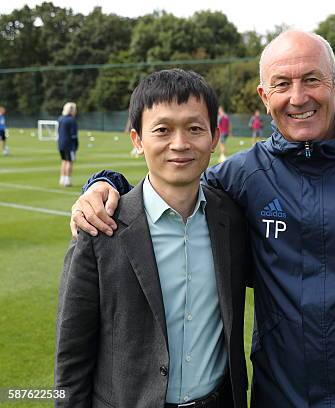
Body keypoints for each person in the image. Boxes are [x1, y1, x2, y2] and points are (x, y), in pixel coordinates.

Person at [71, 31, 335, 408]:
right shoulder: (242, 176)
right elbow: (172, 186)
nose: (298, 97)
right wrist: (105, 184)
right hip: (279, 397)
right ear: (264, 95)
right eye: (282, 84)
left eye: (312, 79)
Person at [55, 69, 251, 408]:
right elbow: (71, 358)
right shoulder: (99, 230)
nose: (179, 144)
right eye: (162, 130)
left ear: (214, 137)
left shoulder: (232, 219)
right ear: (137, 139)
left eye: (194, 128)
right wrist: (101, 182)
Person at [57, 102, 79, 187]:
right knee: (69, 162)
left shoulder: (60, 118)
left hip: (61, 144)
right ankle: (67, 180)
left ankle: (62, 179)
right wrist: (75, 145)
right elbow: (73, 135)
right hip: (69, 145)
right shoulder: (72, 120)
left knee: (64, 161)